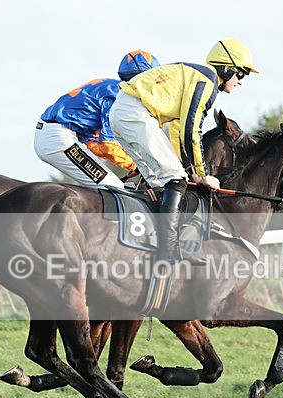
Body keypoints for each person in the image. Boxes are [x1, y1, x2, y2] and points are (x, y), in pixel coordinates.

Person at [108, 39, 258, 263]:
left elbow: (179, 130)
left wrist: (190, 169)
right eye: (241, 74)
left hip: (123, 112)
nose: (240, 82)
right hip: (135, 113)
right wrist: (201, 173)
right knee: (176, 179)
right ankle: (168, 250)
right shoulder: (206, 81)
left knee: (159, 182)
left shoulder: (198, 77)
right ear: (228, 68)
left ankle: (147, 241)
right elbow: (192, 129)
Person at [34, 50, 160, 188]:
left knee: (119, 186)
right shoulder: (118, 96)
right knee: (114, 188)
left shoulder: (110, 86)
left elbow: (95, 144)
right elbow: (107, 144)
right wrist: (136, 165)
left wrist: (134, 163)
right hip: (59, 138)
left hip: (54, 135)